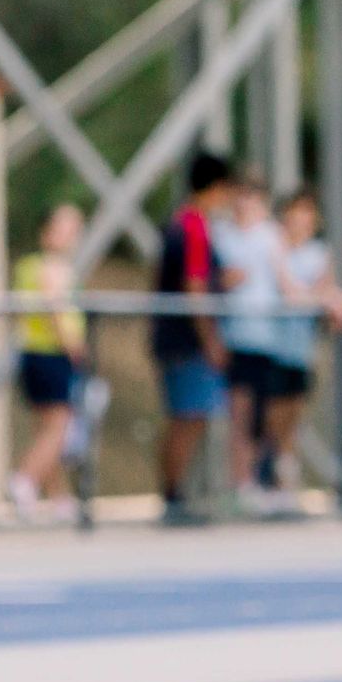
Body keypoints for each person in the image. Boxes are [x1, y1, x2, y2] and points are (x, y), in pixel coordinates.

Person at [250, 190, 342, 513]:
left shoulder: (319, 253)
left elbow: (322, 291)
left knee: (292, 418)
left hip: (301, 351)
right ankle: (263, 481)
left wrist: (313, 297)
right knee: (270, 418)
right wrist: (311, 296)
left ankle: (284, 485)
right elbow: (292, 292)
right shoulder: (273, 247)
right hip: (271, 348)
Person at [152, 154, 233, 524]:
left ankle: (176, 493)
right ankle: (173, 495)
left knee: (188, 416)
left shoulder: (179, 222)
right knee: (187, 417)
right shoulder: (195, 226)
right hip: (187, 341)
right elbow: (195, 287)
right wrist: (210, 340)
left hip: (174, 337)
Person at [9, 202, 87, 521]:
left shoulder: (26, 267)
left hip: (33, 354)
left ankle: (59, 496)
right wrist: (73, 345)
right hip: (52, 353)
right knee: (58, 428)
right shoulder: (51, 268)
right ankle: (25, 479)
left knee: (47, 428)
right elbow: (54, 307)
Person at [211, 170, 283, 510]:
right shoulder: (221, 234)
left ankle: (261, 479)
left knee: (264, 414)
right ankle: (240, 482)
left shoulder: (271, 236)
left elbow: (285, 281)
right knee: (239, 413)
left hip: (266, 337)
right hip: (234, 336)